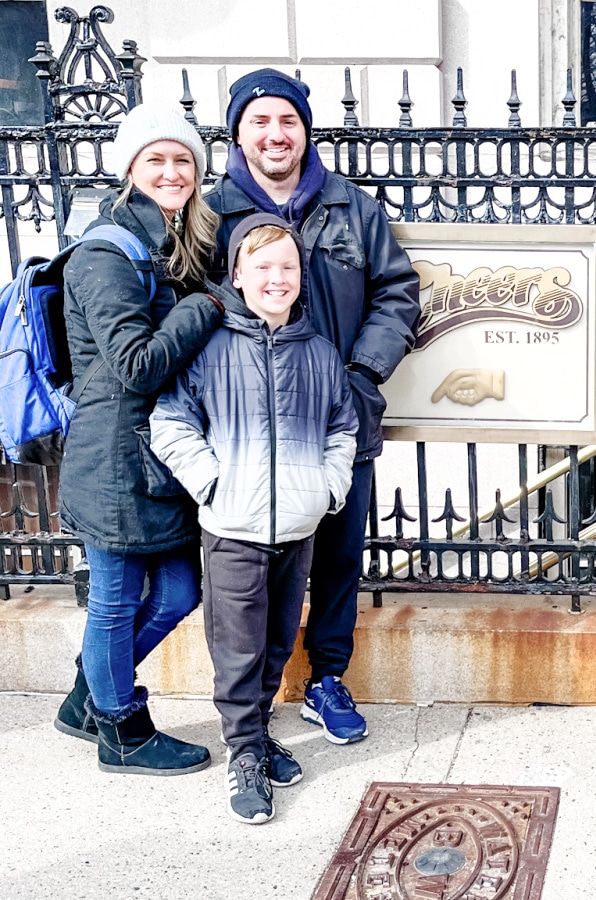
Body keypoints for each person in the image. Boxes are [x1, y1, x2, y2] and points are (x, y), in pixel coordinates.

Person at [206, 69, 421, 744]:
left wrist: (360, 373)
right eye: (260, 121)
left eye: (287, 120)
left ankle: (327, 679)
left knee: (336, 559)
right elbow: (191, 306)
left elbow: (397, 293)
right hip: (248, 432)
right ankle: (253, 709)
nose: (275, 134)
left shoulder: (353, 206)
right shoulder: (212, 214)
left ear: (306, 128)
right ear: (238, 132)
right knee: (252, 575)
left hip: (339, 421)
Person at [150, 214, 358, 824]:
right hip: (233, 527)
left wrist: (327, 488)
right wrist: (211, 481)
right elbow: (171, 421)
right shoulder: (211, 348)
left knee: (273, 644)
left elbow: (342, 427)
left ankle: (260, 733)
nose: (277, 278)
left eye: (288, 267)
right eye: (263, 266)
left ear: (301, 277)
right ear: (238, 274)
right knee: (237, 647)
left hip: (296, 526)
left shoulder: (318, 352)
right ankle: (243, 753)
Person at [52, 104, 227, 774]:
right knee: (117, 600)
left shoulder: (174, 242)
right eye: (155, 159)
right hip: (114, 457)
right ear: (130, 170)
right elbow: (138, 364)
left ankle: (86, 696)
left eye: (182, 159)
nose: (172, 170)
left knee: (181, 593)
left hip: (159, 458)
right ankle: (121, 730)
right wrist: (204, 306)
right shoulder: (105, 252)